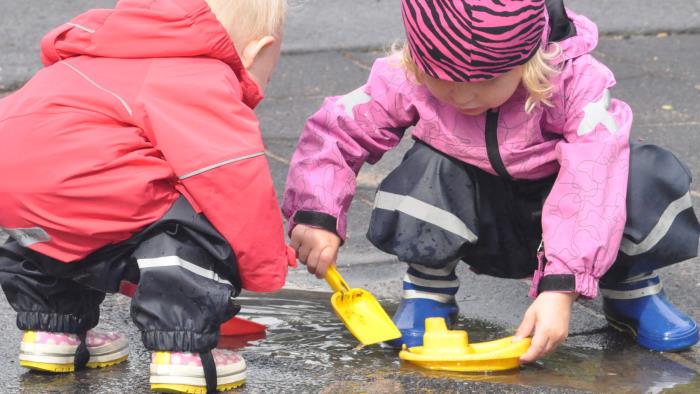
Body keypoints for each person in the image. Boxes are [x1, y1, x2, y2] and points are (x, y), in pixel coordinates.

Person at [283, 0, 699, 363]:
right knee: (428, 169)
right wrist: (316, 213)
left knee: (634, 174)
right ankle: (429, 289)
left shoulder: (575, 83)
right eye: (443, 82)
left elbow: (591, 182)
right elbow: (338, 133)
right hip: (480, 221)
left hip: (570, 224)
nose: (464, 97)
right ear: (417, 60)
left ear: (528, 61)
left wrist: (562, 287)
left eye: (485, 83)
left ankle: (631, 287)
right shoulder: (406, 76)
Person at [0, 0, 294, 392]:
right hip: (89, 188)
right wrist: (264, 265)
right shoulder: (201, 74)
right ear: (256, 51)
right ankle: (182, 353)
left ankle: (53, 333)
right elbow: (232, 181)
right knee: (201, 216)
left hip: (15, 194)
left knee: (60, 230)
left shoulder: (84, 57)